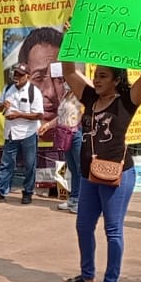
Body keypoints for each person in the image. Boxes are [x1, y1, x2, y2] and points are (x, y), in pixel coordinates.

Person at [56, 24, 141, 282]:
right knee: (83, 226)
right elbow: (69, 72)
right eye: (95, 75)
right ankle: (87, 275)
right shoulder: (90, 97)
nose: (97, 79)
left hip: (118, 174)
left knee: (112, 229)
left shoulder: (127, 101)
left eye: (103, 76)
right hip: (90, 174)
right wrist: (71, 37)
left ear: (116, 80)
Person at [0, 63, 43, 205]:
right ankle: (0, 192)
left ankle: (28, 192)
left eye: (20, 75)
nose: (17, 77)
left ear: (27, 77)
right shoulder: (8, 89)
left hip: (28, 133)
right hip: (11, 133)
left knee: (29, 165)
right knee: (6, 164)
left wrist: (19, 115)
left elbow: (39, 115)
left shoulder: (34, 92)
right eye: (15, 74)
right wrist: (2, 105)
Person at [55, 83, 84, 214]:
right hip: (65, 134)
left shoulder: (81, 95)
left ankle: (81, 201)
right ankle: (73, 198)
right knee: (72, 168)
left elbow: (84, 113)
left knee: (80, 169)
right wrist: (48, 125)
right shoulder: (66, 95)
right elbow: (62, 116)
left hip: (76, 133)